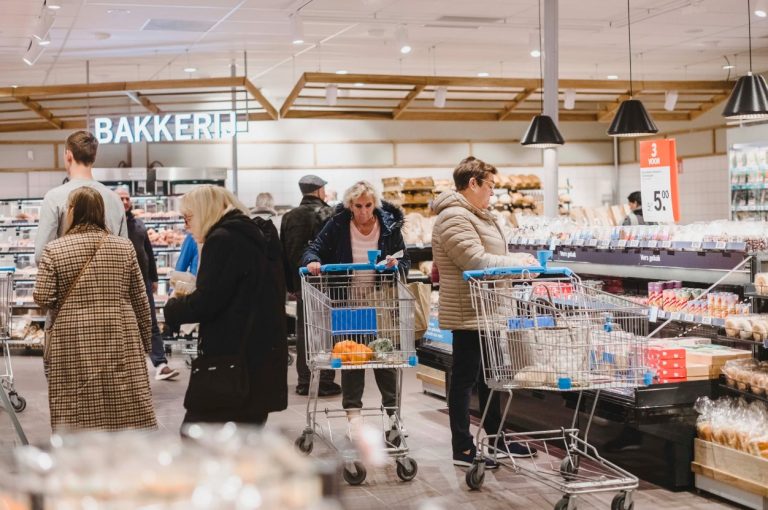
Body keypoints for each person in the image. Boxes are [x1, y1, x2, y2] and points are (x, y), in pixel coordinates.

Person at [432, 156, 539, 468]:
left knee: (490, 377)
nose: (493, 192)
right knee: (465, 379)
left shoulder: (476, 214)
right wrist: (518, 263)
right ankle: (462, 446)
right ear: (473, 183)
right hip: (470, 311)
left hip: (488, 308)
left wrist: (519, 259)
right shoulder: (454, 217)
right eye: (489, 185)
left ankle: (495, 438)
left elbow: (492, 256)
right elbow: (475, 261)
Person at [33, 187, 156, 432]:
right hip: (119, 332)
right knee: (119, 402)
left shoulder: (55, 250)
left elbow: (43, 297)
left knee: (77, 403)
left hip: (72, 337)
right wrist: (145, 343)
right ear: (101, 212)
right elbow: (140, 298)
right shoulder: (124, 247)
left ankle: (81, 456)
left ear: (71, 212)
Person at [164, 185, 288, 425]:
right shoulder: (254, 234)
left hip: (232, 362)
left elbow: (208, 301)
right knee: (245, 439)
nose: (186, 226)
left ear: (204, 211)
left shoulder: (222, 240)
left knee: (199, 434)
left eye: (188, 218)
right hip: (260, 357)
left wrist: (173, 308)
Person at [301, 181, 409, 429]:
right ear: (350, 205)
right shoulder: (338, 225)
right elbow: (313, 249)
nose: (363, 211)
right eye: (358, 206)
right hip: (347, 302)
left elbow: (405, 261)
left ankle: (393, 416)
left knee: (383, 358)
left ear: (375, 204)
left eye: (368, 205)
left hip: (380, 302)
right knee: (352, 358)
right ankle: (353, 415)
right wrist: (314, 261)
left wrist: (395, 264)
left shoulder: (389, 227)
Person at [280, 175, 340, 397]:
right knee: (326, 330)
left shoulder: (289, 217)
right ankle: (325, 380)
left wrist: (290, 284)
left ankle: (304, 381)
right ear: (318, 190)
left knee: (304, 329)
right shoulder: (329, 214)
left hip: (301, 282)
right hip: (327, 280)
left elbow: (283, 254)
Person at [116, 188, 180, 382]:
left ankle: (161, 364)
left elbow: (148, 252)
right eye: (121, 198)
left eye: (127, 198)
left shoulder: (138, 223)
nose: (126, 201)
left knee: (151, 322)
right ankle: (125, 368)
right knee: (122, 324)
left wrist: (153, 278)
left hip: (143, 281)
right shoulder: (109, 224)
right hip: (121, 283)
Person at [35, 131, 127, 264]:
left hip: (68, 282)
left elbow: (41, 256)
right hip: (109, 281)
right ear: (94, 157)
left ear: (68, 155)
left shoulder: (54, 198)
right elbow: (125, 254)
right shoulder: (115, 199)